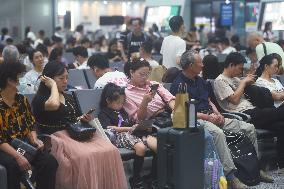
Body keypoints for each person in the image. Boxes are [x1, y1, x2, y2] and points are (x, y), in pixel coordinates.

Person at [170, 50, 272, 188]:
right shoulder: (179, 85)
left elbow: (208, 100)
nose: (203, 65)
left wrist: (217, 113)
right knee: (217, 134)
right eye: (200, 63)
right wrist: (207, 117)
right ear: (190, 65)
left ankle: (255, 169)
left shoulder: (201, 81)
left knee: (248, 128)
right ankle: (231, 177)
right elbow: (184, 112)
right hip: (196, 119)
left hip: (212, 115)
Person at [31, 62, 127, 189]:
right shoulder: (41, 99)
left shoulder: (68, 97)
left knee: (110, 150)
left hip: (74, 133)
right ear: (49, 80)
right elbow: (54, 105)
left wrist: (82, 118)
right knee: (84, 156)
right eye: (61, 78)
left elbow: (74, 118)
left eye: (67, 77)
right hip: (55, 137)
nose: (65, 81)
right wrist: (53, 86)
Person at [213, 52, 284, 168]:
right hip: (243, 114)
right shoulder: (220, 81)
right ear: (231, 65)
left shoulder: (235, 79)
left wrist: (249, 82)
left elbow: (253, 92)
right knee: (279, 112)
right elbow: (234, 100)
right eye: (239, 68)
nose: (241, 72)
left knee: (281, 125)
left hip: (254, 110)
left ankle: (281, 162)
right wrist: (243, 82)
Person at [0, 62, 58, 189]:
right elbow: (1, 139)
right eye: (20, 76)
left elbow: (31, 125)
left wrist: (34, 139)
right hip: (5, 148)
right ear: (10, 80)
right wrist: (18, 156)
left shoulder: (22, 100)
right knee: (13, 165)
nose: (23, 79)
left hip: (23, 143)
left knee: (49, 162)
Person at [98, 83, 157, 189]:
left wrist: (137, 126)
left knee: (156, 145)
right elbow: (110, 128)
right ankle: (136, 178)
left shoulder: (122, 111)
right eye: (118, 102)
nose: (121, 105)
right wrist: (129, 129)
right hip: (120, 135)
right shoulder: (104, 113)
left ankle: (153, 176)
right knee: (141, 147)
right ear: (108, 100)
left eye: (123, 102)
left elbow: (129, 123)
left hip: (134, 133)